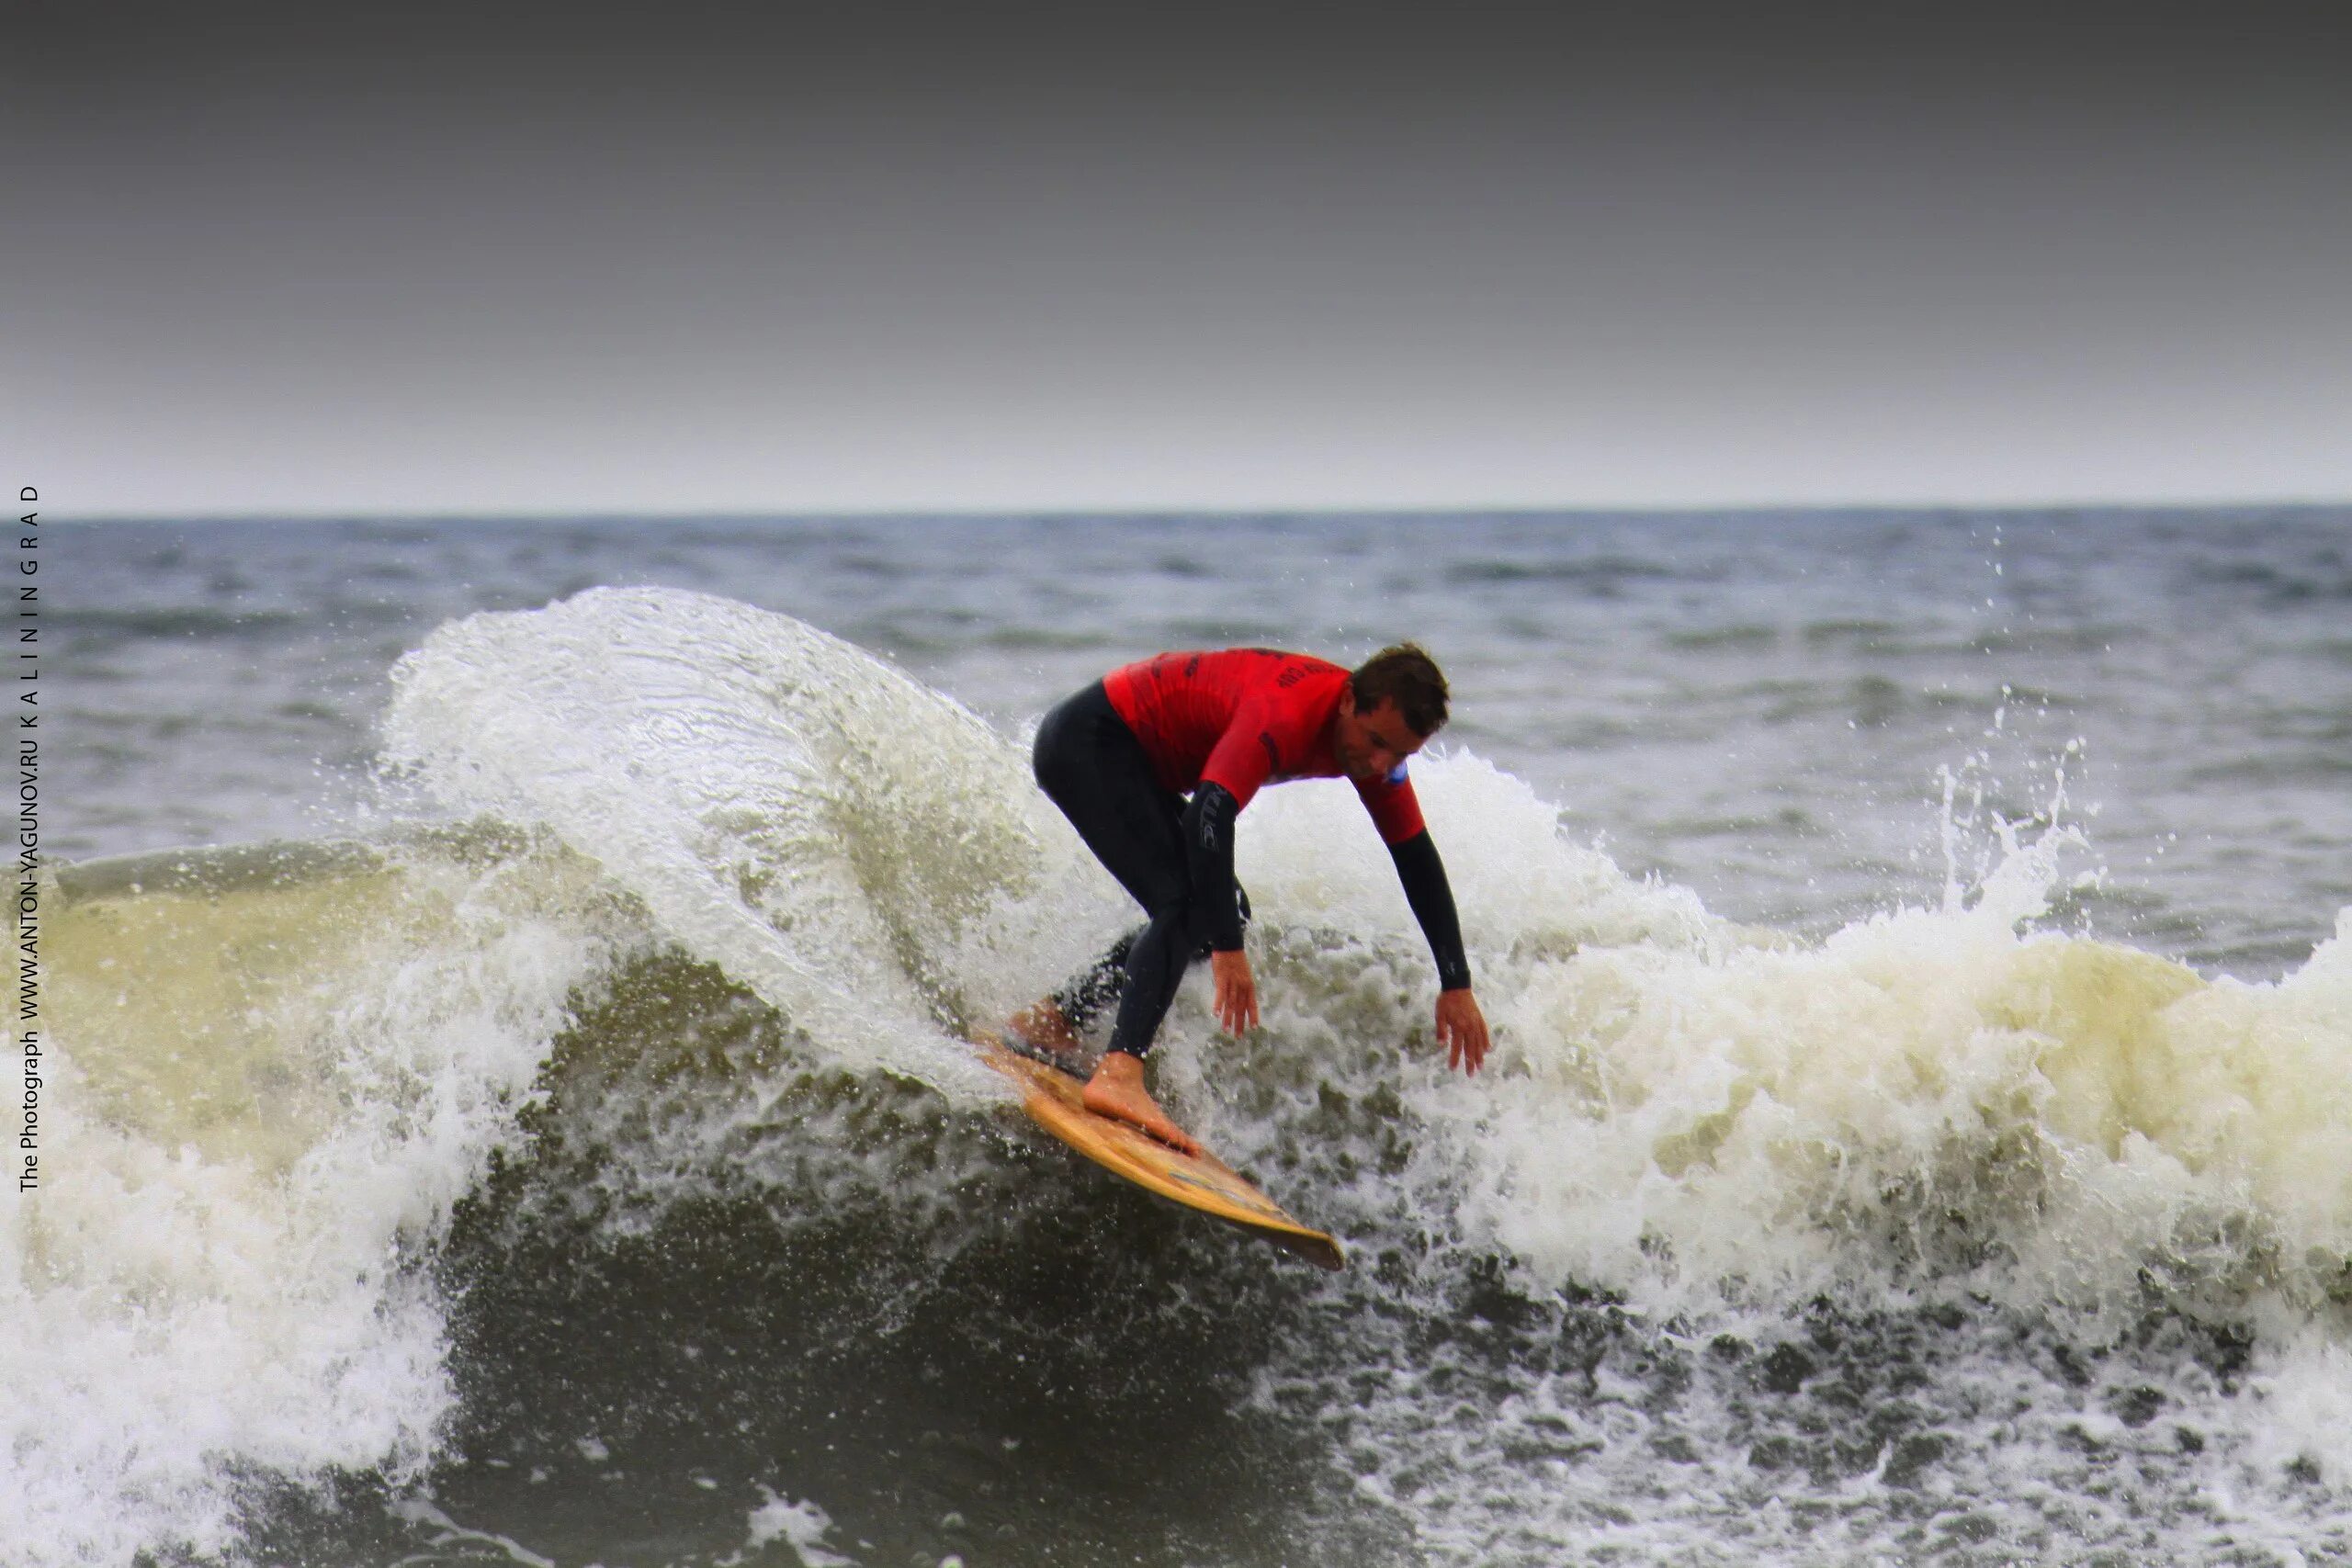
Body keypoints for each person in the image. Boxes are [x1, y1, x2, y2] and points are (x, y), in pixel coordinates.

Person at [1009, 643, 1490, 1155]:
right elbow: (1207, 817)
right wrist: (1227, 949)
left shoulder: (1377, 756)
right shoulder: (1286, 712)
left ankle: (1053, 1021)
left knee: (1223, 907)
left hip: (1132, 761)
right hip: (1090, 743)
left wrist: (1455, 982)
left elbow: (1414, 855)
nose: (1380, 763)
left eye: (1399, 754)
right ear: (1349, 700)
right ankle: (1120, 1072)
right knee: (1190, 906)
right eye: (1376, 742)